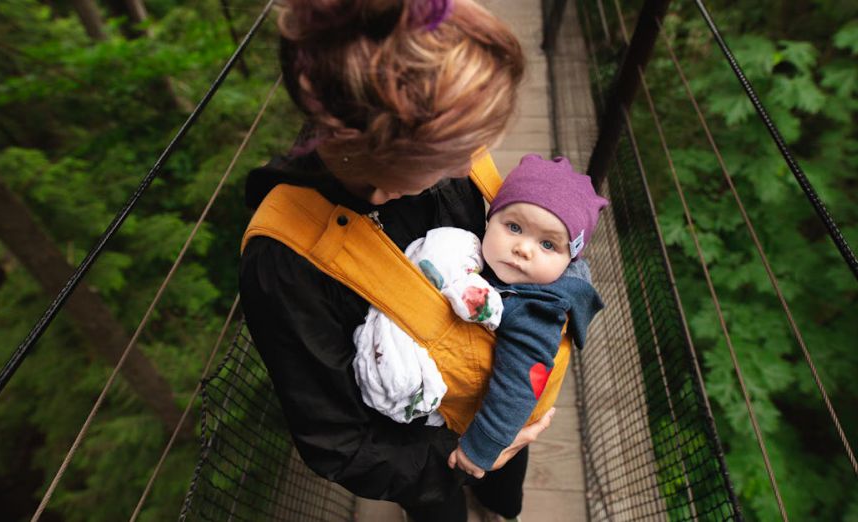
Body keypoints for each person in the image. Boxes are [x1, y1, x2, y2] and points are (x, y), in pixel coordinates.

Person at [239, 1, 553, 520]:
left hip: (498, 391)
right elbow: (338, 441)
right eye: (453, 151)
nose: (473, 159)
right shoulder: (285, 264)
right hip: (421, 455)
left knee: (504, 492)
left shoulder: (449, 161)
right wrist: (466, 458)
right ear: (382, 152)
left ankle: (500, 507)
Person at [351, 154, 607, 478]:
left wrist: (483, 448)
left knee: (503, 479)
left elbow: (521, 382)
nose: (523, 249)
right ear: (491, 219)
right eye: (514, 227)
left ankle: (502, 508)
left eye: (547, 244)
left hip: (502, 424)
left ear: (568, 260)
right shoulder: (505, 270)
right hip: (487, 408)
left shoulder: (537, 310)